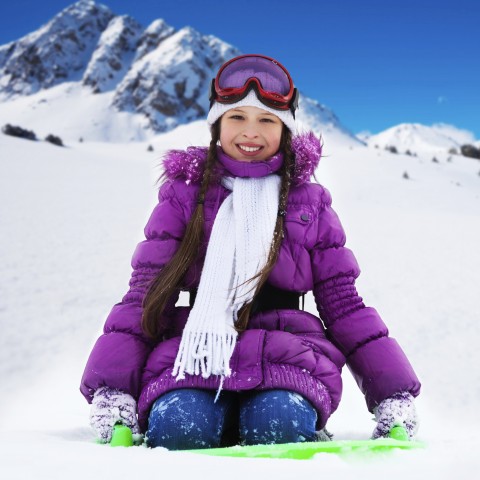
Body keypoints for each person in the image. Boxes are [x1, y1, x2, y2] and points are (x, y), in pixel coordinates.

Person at [80, 54, 421, 450]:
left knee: (279, 424)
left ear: (285, 128)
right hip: (193, 355)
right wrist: (113, 388)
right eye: (237, 117)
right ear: (217, 125)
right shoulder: (183, 199)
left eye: (266, 121)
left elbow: (344, 306)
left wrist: (393, 394)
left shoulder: (308, 203)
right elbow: (145, 296)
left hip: (289, 357)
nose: (251, 133)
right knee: (179, 427)